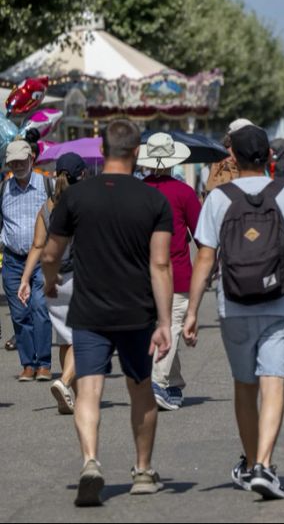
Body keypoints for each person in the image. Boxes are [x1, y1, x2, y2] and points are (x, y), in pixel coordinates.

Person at [182, 123, 284, 500]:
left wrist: (192, 310)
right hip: (280, 302)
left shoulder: (218, 197)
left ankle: (249, 463)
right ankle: (264, 463)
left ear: (233, 157)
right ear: (270, 157)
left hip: (235, 304)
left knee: (245, 386)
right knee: (274, 380)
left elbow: (205, 259)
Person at [43, 120, 174, 506]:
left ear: (102, 151)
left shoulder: (76, 197)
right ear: (137, 152)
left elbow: (51, 253)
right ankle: (144, 470)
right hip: (137, 310)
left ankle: (90, 461)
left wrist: (50, 282)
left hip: (89, 308)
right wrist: (165, 322)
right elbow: (161, 264)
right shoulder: (154, 200)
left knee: (88, 388)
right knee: (141, 390)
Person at [17, 153, 87, 414]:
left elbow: (37, 245)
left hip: (53, 281)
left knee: (65, 340)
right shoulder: (85, 203)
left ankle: (73, 397)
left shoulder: (47, 206)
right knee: (84, 338)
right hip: (80, 278)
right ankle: (65, 381)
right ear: (82, 174)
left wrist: (25, 280)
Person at [138, 133, 202, 411]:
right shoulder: (184, 192)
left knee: (163, 327)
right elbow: (201, 233)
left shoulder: (137, 191)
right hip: (177, 271)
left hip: (142, 271)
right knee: (173, 325)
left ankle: (173, 381)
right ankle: (159, 381)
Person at [1, 140, 54, 381]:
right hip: (12, 260)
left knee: (40, 308)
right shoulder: (4, 189)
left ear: (31, 159)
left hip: (42, 258)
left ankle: (43, 362)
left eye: (22, 161)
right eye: (13, 162)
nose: (18, 165)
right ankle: (28, 363)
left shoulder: (47, 184)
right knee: (19, 314)